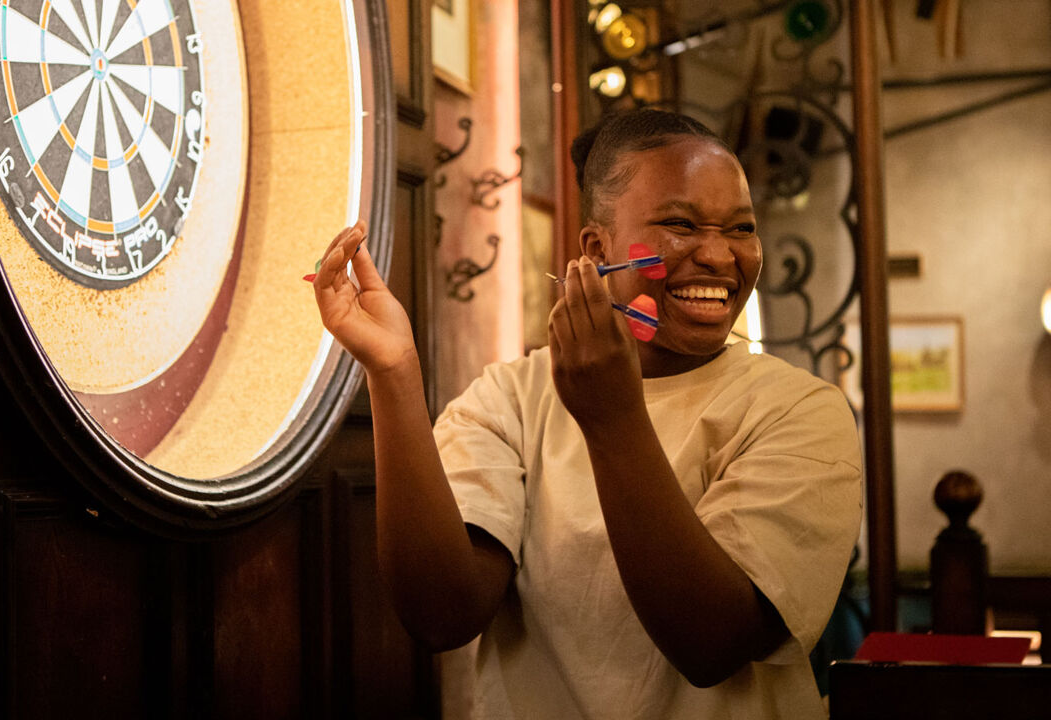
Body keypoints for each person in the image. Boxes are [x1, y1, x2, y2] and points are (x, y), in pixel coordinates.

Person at [313, 108, 862, 719]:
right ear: (598, 249)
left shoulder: (799, 411)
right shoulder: (511, 399)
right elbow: (442, 614)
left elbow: (712, 645)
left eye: (740, 228)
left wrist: (612, 418)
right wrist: (393, 374)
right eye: (680, 223)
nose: (718, 255)